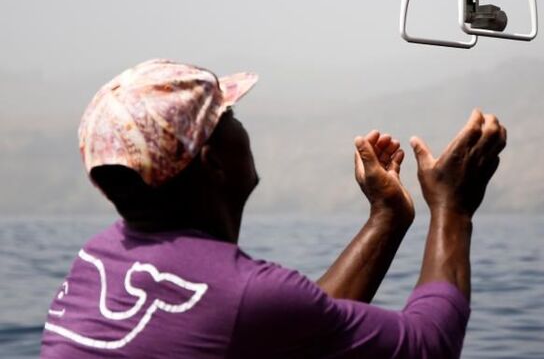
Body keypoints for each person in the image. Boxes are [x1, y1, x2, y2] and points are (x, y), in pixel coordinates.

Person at [40, 58, 506, 358]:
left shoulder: (95, 260)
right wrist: (452, 209)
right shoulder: (243, 295)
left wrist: (388, 218)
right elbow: (429, 347)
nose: (243, 128)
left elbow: (289, 331)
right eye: (230, 118)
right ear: (214, 162)